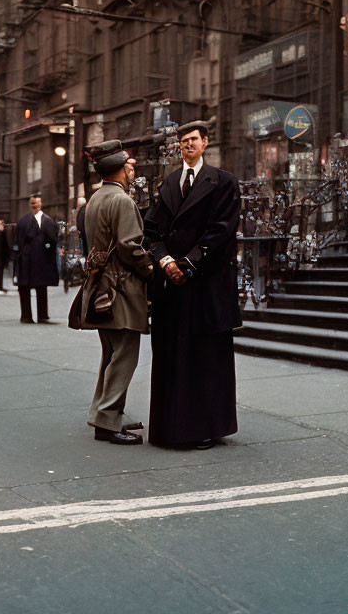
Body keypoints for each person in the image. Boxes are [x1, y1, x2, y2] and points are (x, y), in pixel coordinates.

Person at [144, 121, 241, 449]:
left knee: (204, 357)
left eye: (193, 140)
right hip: (172, 286)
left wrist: (188, 263)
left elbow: (221, 230)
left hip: (206, 285)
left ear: (205, 143)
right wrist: (166, 261)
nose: (188, 146)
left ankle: (205, 427)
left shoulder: (224, 182)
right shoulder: (168, 183)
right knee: (173, 356)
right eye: (183, 141)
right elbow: (151, 232)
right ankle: (171, 428)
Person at [79, 141, 154, 445]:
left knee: (110, 354)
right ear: (121, 169)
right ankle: (107, 421)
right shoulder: (122, 201)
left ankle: (103, 413)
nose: (131, 170)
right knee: (124, 356)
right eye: (129, 166)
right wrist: (152, 269)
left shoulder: (95, 198)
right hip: (121, 289)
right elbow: (129, 247)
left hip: (101, 286)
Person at [14, 194, 59, 323]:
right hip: (27, 261)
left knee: (41, 287)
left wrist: (47, 250)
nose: (35, 206)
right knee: (24, 288)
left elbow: (53, 241)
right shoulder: (23, 222)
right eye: (33, 203)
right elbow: (17, 241)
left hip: (41, 260)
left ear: (41, 204)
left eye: (37, 203)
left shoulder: (48, 222)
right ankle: (26, 316)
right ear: (30, 205)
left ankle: (42, 315)